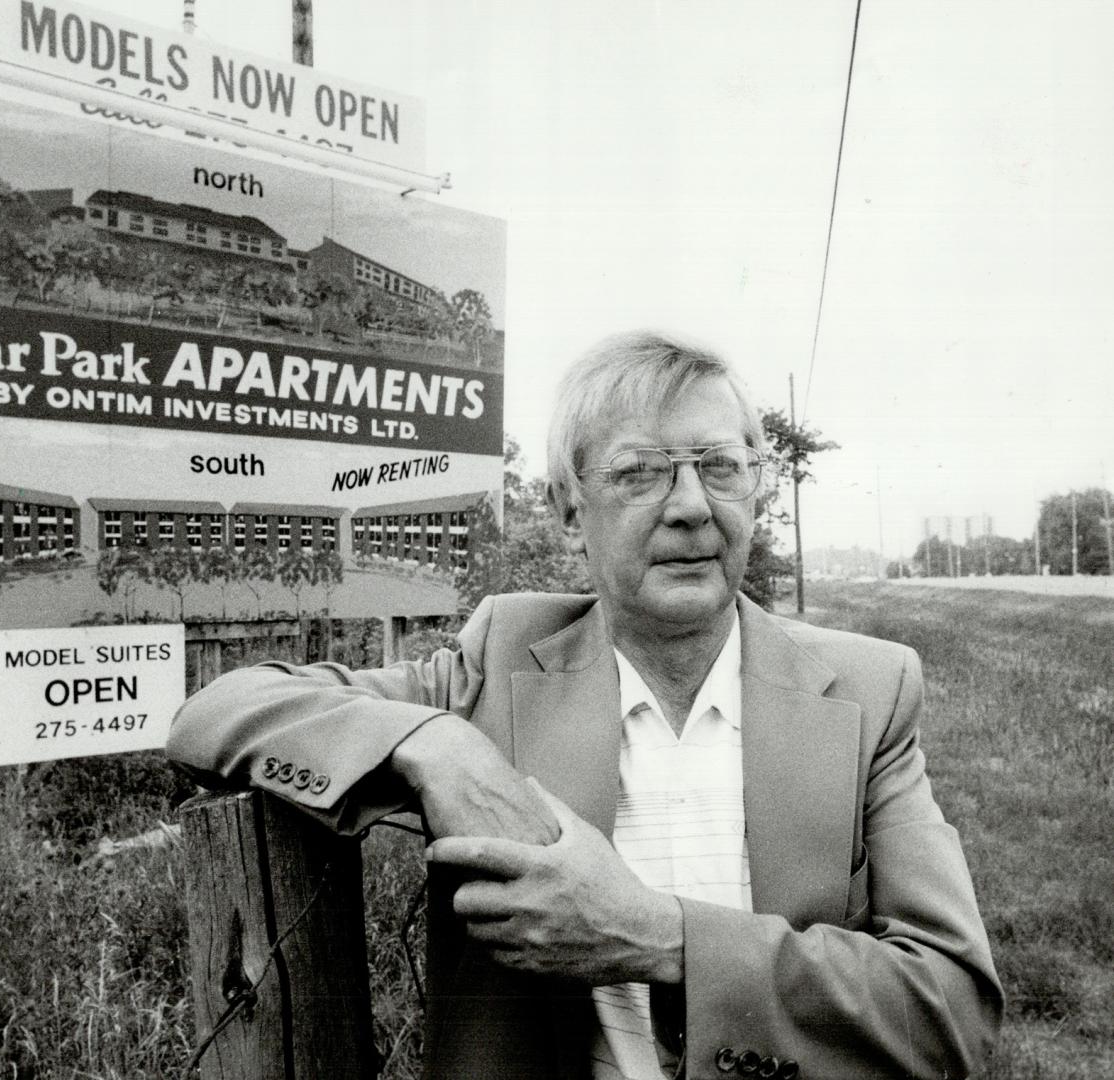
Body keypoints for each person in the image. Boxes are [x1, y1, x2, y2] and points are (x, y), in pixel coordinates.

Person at [167, 330, 1003, 1080]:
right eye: (639, 473)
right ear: (570, 512)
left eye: (719, 467)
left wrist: (660, 937)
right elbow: (216, 713)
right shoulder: (497, 666)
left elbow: (952, 1009)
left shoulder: (870, 691)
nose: (689, 506)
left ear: (757, 490)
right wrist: (434, 745)